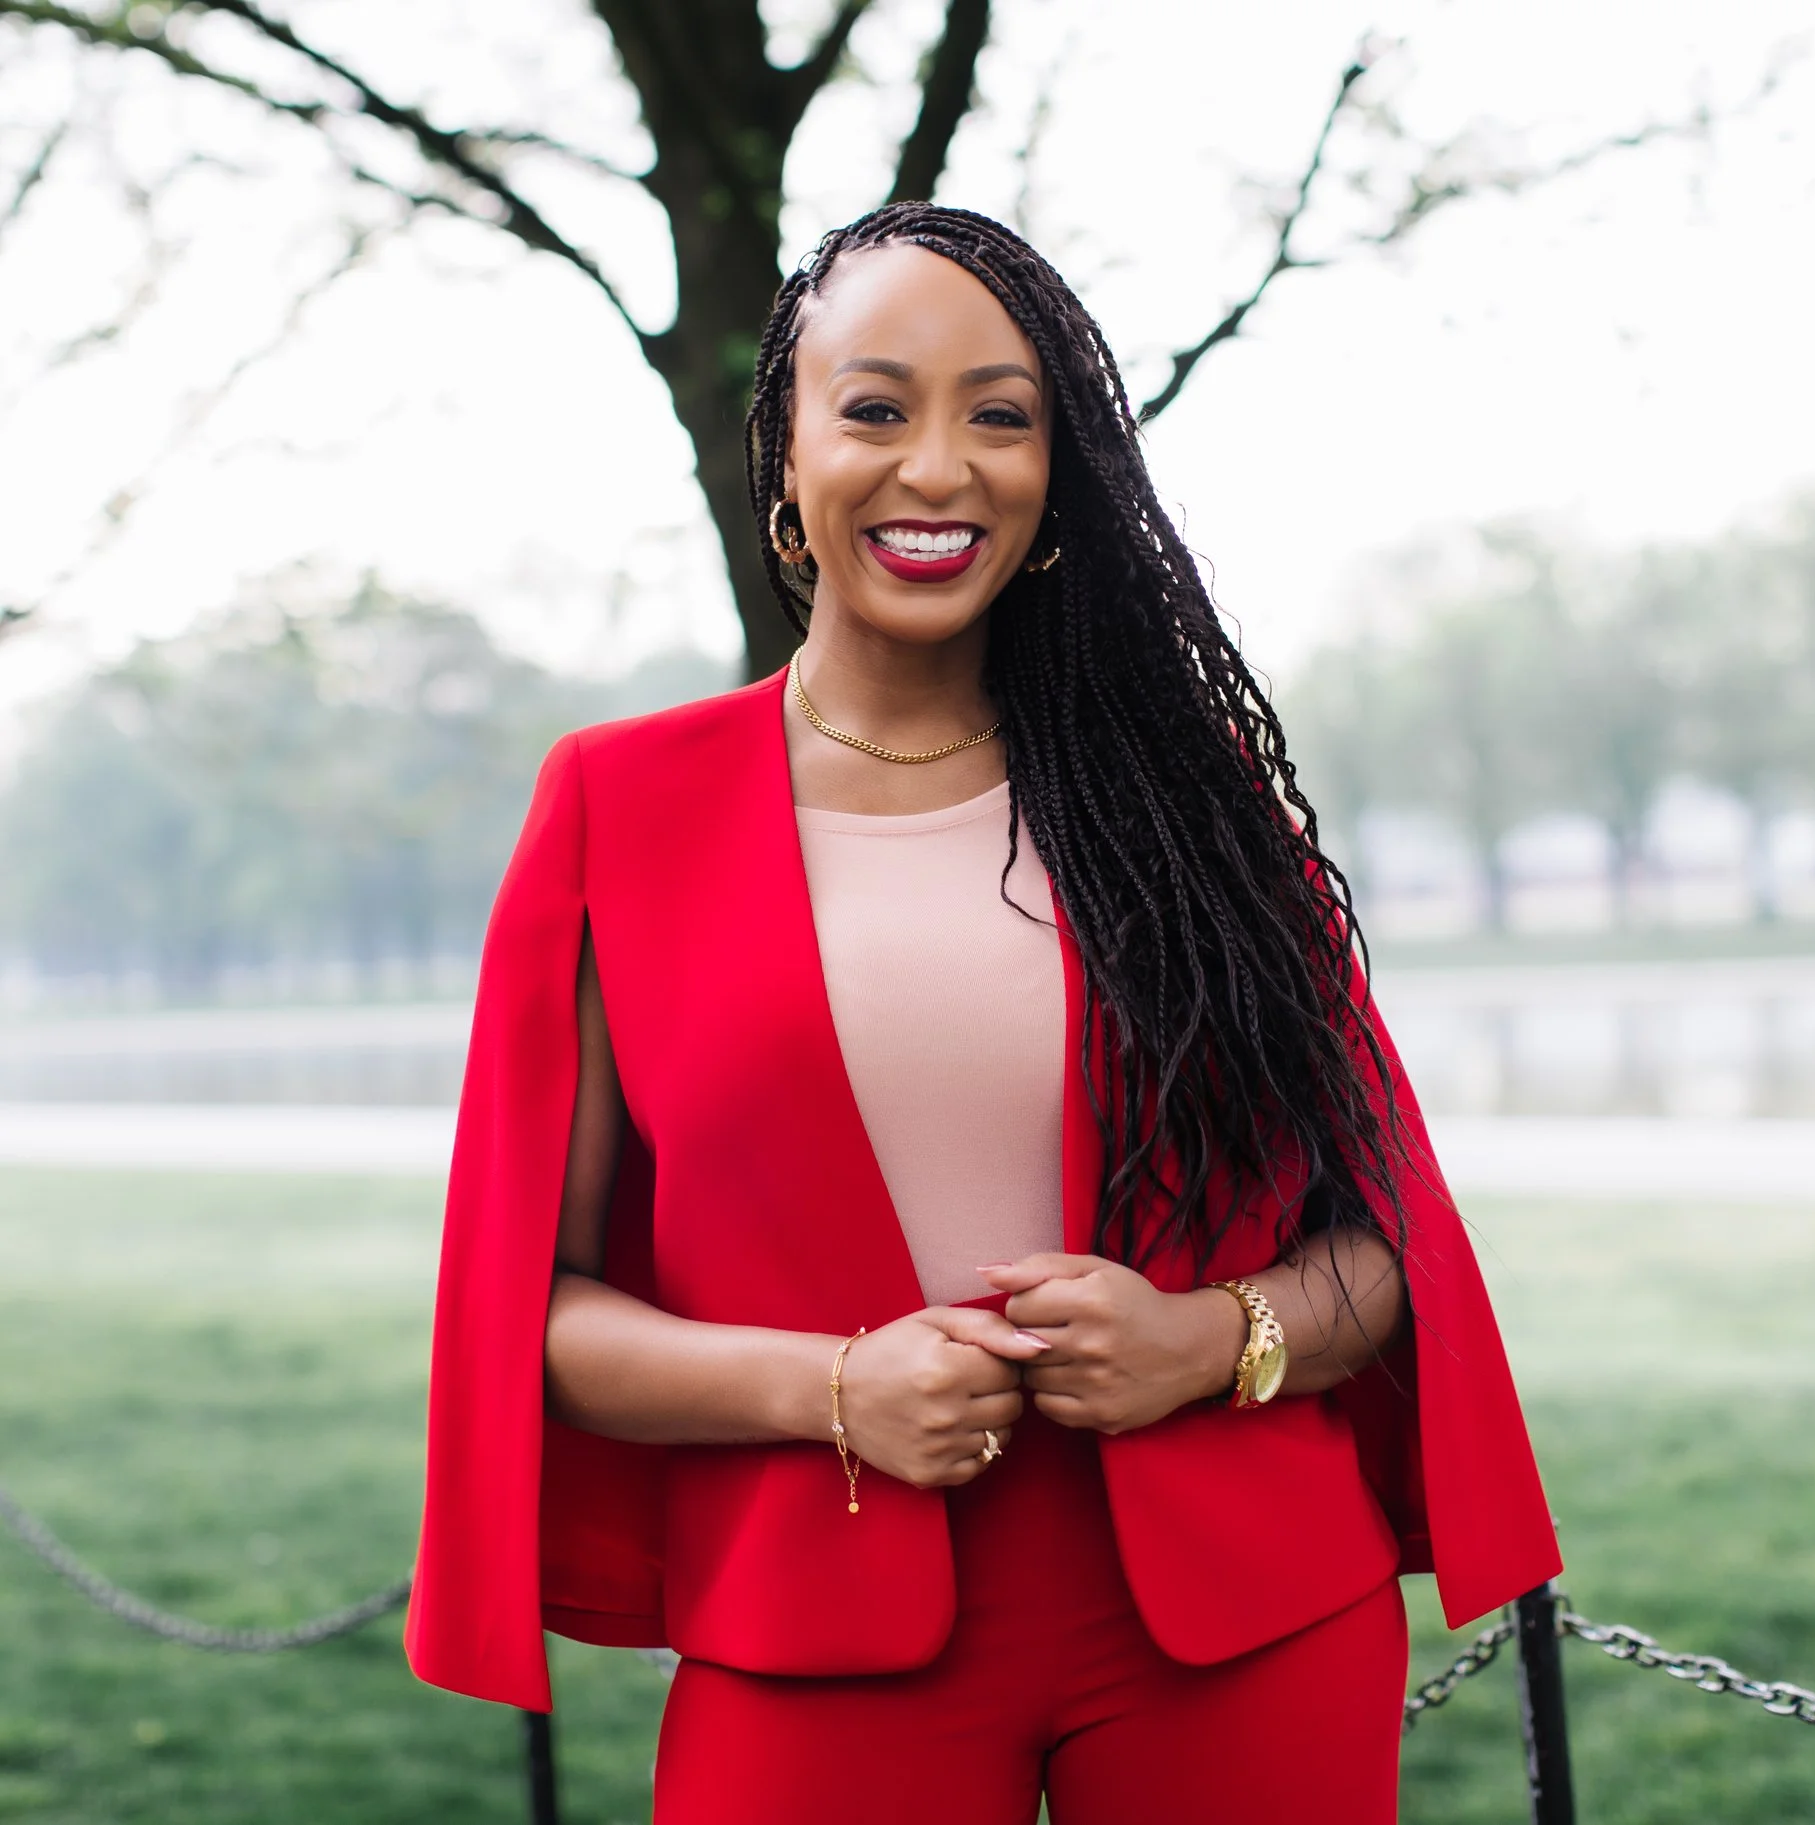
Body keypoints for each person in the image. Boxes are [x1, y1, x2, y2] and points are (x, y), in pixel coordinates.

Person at [406, 202, 1558, 1825]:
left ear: (1056, 482)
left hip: (1246, 1622)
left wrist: (1208, 1343)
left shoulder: (1191, 805)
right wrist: (830, 1389)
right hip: (814, 1630)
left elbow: (1389, 1254)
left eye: (999, 416)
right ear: (786, 464)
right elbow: (537, 1313)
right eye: (875, 408)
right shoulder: (616, 807)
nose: (937, 467)